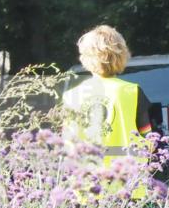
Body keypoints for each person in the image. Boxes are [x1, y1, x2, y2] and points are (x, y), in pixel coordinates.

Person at [63, 25, 153, 165]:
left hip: (87, 175)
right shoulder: (133, 91)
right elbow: (149, 142)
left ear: (86, 58)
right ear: (122, 55)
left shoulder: (72, 95)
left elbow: (69, 145)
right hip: (128, 173)